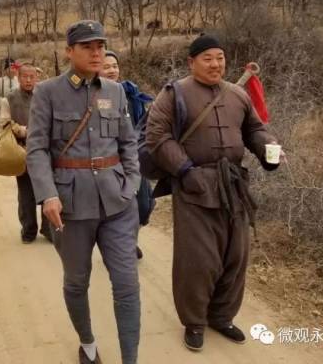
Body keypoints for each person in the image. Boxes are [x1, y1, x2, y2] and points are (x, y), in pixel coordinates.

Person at [146, 34, 281, 352]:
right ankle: (194, 321)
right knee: (198, 259)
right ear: (191, 62)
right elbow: (157, 135)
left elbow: (254, 130)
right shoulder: (174, 94)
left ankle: (221, 316)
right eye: (207, 57)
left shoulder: (237, 94)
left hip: (233, 184)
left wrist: (268, 150)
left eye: (220, 57)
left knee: (236, 255)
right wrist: (185, 171)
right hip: (194, 184)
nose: (216, 63)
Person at [27, 20, 141, 364]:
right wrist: (47, 194)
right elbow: (36, 149)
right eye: (88, 47)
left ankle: (130, 359)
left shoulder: (114, 91)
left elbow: (128, 142)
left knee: (126, 284)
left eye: (100, 46)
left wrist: (132, 183)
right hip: (70, 206)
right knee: (77, 281)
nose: (96, 53)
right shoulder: (47, 91)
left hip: (117, 202)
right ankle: (88, 342)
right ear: (69, 52)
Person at [101, 50, 155, 260]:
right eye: (106, 67)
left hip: (134, 159)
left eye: (114, 66)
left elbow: (142, 125)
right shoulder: (92, 96)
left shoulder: (131, 93)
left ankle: (130, 239)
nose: (112, 70)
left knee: (143, 204)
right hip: (109, 161)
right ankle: (122, 244)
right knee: (116, 207)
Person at [0, 63, 52, 243]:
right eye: (24, 77)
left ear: (37, 78)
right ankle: (29, 230)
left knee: (48, 190)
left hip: (46, 151)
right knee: (26, 194)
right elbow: (5, 124)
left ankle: (48, 229)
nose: (29, 80)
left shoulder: (46, 96)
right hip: (22, 152)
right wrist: (24, 131)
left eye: (32, 77)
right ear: (18, 77)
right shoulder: (9, 99)